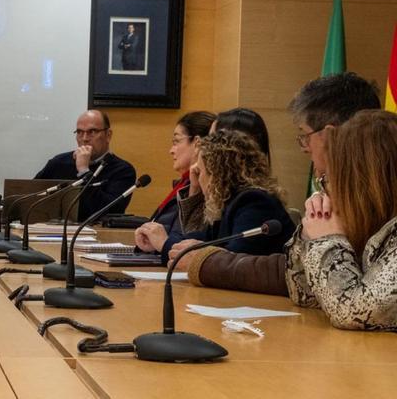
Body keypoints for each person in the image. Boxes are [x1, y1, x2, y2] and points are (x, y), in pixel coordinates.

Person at [177, 72, 382, 297]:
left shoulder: (374, 198)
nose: (304, 147)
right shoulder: (335, 192)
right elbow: (295, 269)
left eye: (305, 136)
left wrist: (205, 263)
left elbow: (311, 280)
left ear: (329, 136)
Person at [287, 110, 397, 329]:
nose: (325, 188)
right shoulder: (374, 224)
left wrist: (327, 242)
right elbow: (305, 295)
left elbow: (353, 312)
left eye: (328, 179)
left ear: (361, 184)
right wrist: (311, 232)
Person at [135, 130, 294, 264]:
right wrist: (158, 241)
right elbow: (201, 239)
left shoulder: (254, 202)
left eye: (201, 172)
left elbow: (235, 261)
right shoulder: (229, 202)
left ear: (217, 174)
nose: (198, 178)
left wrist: (164, 244)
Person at [35, 110, 136, 219]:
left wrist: (83, 170)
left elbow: (107, 211)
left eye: (92, 132)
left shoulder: (123, 170)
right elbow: (31, 196)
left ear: (108, 135)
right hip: (52, 230)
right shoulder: (59, 162)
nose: (84, 139)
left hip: (98, 233)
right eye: (79, 132)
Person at [148, 111, 216, 238]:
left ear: (197, 143)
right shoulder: (182, 184)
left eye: (176, 141)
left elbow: (184, 237)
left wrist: (193, 191)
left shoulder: (209, 188)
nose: (171, 151)